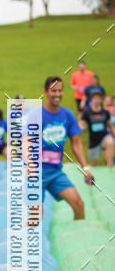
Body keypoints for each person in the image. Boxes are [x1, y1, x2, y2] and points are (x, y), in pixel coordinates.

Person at [31, 76, 93, 220]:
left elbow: (76, 142)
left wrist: (85, 168)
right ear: (46, 92)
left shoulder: (67, 115)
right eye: (54, 91)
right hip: (36, 174)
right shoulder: (36, 115)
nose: (57, 94)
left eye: (60, 90)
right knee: (36, 217)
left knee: (79, 204)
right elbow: (25, 142)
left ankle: (80, 237)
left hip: (55, 173)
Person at [81, 91, 115, 168]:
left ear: (101, 100)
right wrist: (81, 127)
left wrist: (113, 133)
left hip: (104, 136)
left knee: (110, 142)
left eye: (98, 98)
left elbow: (110, 125)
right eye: (95, 98)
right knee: (94, 165)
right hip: (93, 140)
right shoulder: (87, 113)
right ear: (92, 100)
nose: (97, 100)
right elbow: (81, 123)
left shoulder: (105, 112)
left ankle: (109, 168)